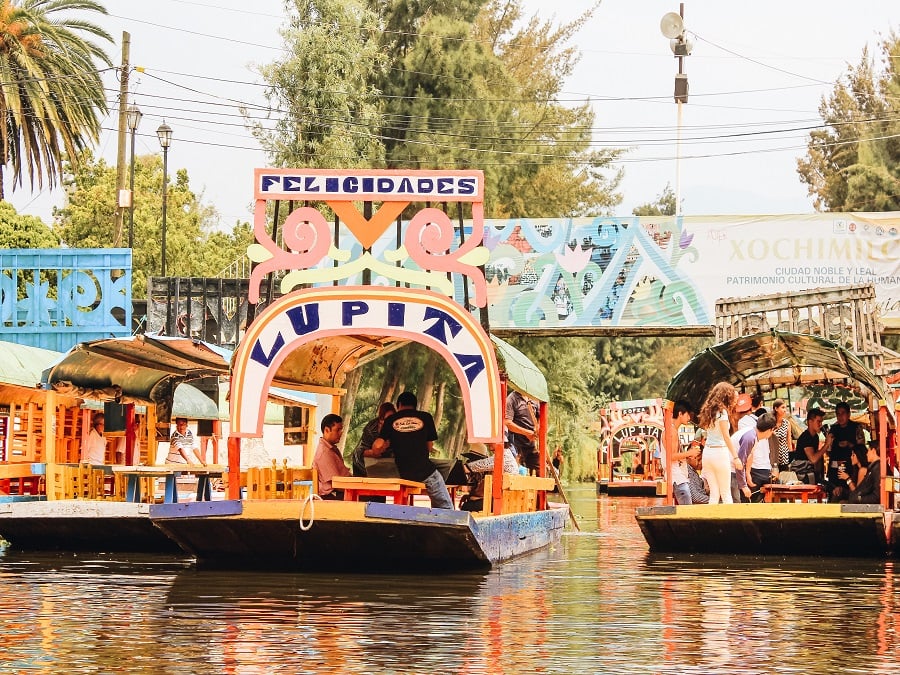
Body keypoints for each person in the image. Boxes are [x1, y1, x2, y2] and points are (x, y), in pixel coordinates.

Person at [372, 391, 454, 509]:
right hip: (425, 472)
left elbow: (377, 446)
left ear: (399, 405)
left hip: (403, 473)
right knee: (446, 507)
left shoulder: (391, 420)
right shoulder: (426, 417)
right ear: (416, 405)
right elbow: (429, 447)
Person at [697, 381, 743, 504]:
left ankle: (710, 521)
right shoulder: (722, 413)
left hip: (707, 453)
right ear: (726, 396)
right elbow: (726, 436)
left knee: (714, 494)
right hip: (719, 453)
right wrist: (736, 457)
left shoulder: (709, 412)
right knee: (726, 493)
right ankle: (731, 523)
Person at [824, 402, 865, 502]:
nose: (840, 416)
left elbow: (862, 449)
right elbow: (828, 450)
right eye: (838, 414)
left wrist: (849, 445)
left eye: (843, 413)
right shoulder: (833, 429)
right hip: (834, 468)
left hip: (851, 468)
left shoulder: (856, 427)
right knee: (833, 492)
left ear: (849, 414)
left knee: (849, 493)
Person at [739, 413, 777, 502]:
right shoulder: (750, 431)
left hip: (761, 468)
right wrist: (744, 483)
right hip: (756, 468)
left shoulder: (754, 431)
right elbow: (745, 457)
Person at [351, 402, 396, 477]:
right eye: (387, 419)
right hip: (372, 458)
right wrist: (373, 452)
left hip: (391, 459)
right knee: (357, 454)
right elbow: (363, 447)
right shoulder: (370, 428)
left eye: (392, 419)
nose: (390, 422)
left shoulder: (397, 426)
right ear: (381, 420)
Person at [670, 400, 701, 506]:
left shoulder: (673, 430)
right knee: (687, 512)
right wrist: (690, 453)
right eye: (688, 415)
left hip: (679, 477)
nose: (689, 418)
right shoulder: (672, 431)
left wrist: (688, 455)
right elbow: (671, 456)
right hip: (677, 478)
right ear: (680, 414)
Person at [312, 413, 350, 499]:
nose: (341, 433)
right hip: (332, 495)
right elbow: (337, 485)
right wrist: (356, 488)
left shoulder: (331, 449)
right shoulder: (324, 453)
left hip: (340, 491)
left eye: (341, 430)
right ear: (326, 430)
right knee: (372, 498)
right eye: (337, 430)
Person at [506, 389, 540, 474]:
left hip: (532, 444)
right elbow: (507, 423)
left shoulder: (534, 398)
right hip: (516, 445)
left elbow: (541, 418)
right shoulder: (511, 399)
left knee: (540, 471)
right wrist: (526, 433)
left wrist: (538, 428)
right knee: (514, 473)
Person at [793, 408, 827, 485]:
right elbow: (813, 459)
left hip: (811, 472)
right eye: (818, 421)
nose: (820, 425)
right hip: (802, 474)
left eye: (821, 422)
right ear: (810, 421)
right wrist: (826, 445)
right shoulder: (805, 437)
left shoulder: (815, 437)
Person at [769, 399, 794, 474]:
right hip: (773, 455)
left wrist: (791, 456)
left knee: (784, 478)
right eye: (782, 407)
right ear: (776, 409)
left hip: (784, 456)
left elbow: (789, 442)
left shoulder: (787, 423)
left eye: (785, 408)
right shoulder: (770, 423)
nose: (785, 410)